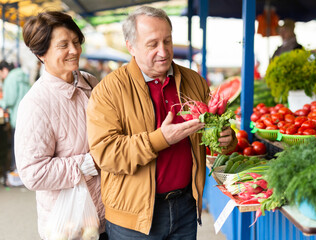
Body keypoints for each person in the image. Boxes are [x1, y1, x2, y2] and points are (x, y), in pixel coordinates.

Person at [86, 6, 237, 240]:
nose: (164, 51)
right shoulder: (109, 91)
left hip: (185, 209)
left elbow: (211, 134)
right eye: (152, 44)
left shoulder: (194, 81)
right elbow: (105, 154)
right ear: (131, 46)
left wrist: (226, 140)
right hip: (133, 220)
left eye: (167, 41)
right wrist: (161, 139)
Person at [14, 11, 107, 240]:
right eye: (63, 45)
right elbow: (32, 173)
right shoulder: (36, 104)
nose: (74, 50)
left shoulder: (90, 82)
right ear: (41, 54)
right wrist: (89, 162)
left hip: (105, 216)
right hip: (69, 226)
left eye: (76, 42)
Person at [0, 60, 30, 182]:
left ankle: (15, 174)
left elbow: (10, 100)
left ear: (4, 70)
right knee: (24, 147)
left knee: (16, 146)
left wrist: (2, 102)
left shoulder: (11, 78)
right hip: (27, 115)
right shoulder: (22, 75)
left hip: (17, 117)